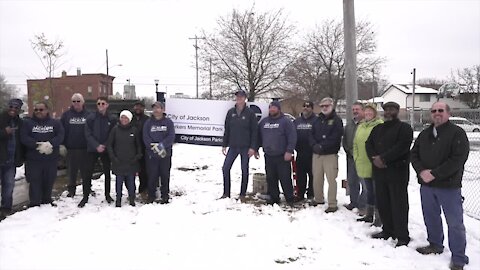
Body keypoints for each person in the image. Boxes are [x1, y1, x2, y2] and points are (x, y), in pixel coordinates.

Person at [411, 102, 470, 270]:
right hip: (427, 186)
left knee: (455, 223)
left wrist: (435, 173)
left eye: (440, 110)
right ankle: (435, 244)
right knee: (431, 217)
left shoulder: (457, 133)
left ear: (448, 113)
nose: (437, 113)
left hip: (449, 187)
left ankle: (459, 257)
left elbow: (458, 159)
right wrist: (421, 171)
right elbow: (413, 154)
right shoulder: (425, 134)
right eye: (434, 111)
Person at [365, 101, 412, 247]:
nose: (388, 112)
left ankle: (402, 235)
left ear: (397, 111)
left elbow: (402, 146)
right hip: (380, 172)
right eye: (386, 110)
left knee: (399, 205)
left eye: (392, 109)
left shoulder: (404, 128)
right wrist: (374, 158)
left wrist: (384, 158)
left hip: (397, 172)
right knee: (383, 203)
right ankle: (387, 230)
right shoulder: (378, 128)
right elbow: (368, 144)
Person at [20, 102, 64, 207]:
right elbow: (24, 137)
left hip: (51, 159)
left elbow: (61, 135)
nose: (38, 112)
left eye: (41, 109)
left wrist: (50, 144)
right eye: (36, 110)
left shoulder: (55, 123)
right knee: (35, 181)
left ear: (47, 110)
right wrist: (37, 145)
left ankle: (47, 200)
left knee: (49, 180)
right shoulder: (28, 123)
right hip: (34, 160)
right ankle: (35, 203)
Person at [220, 89, 258, 201]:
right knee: (225, 168)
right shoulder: (230, 112)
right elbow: (227, 129)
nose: (239, 98)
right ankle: (226, 193)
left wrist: (253, 147)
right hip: (233, 146)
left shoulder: (250, 113)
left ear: (245, 98)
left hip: (246, 147)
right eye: (237, 97)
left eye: (241, 97)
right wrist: (224, 145)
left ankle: (242, 194)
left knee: (244, 170)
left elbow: (254, 131)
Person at [257, 101, 297, 205]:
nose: (272, 109)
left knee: (285, 178)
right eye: (270, 108)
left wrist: (289, 151)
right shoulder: (264, 122)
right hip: (269, 155)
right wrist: (256, 148)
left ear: (279, 109)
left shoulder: (286, 121)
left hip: (282, 155)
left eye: (274, 107)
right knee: (271, 178)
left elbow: (292, 137)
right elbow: (258, 136)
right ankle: (274, 198)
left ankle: (289, 198)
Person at [79, 97, 117, 207]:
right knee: (87, 173)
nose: (101, 105)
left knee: (107, 173)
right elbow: (87, 133)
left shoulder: (112, 118)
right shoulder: (91, 118)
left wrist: (104, 145)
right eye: (99, 103)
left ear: (107, 105)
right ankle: (85, 196)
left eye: (103, 103)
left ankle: (107, 195)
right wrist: (96, 145)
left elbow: (112, 134)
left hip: (106, 149)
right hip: (92, 149)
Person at [309, 97, 344, 213]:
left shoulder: (337, 120)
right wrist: (314, 145)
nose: (324, 108)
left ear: (332, 106)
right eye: (322, 106)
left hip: (330, 155)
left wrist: (322, 146)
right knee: (317, 178)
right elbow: (311, 134)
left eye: (327, 106)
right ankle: (318, 198)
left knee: (331, 180)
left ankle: (332, 203)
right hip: (317, 154)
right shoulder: (317, 120)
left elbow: (335, 137)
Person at [353, 104, 383, 226]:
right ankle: (369, 214)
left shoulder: (379, 125)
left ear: (375, 113)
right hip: (362, 163)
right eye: (366, 111)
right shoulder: (361, 126)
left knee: (377, 192)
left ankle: (379, 217)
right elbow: (355, 143)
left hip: (375, 164)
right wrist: (356, 157)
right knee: (369, 191)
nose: (368, 113)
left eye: (371, 111)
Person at [107, 110, 142, 207]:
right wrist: (113, 157)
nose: (124, 119)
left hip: (131, 162)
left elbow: (139, 145)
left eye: (126, 118)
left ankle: (132, 199)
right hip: (118, 161)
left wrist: (137, 156)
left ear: (129, 119)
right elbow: (109, 145)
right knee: (119, 183)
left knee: (131, 183)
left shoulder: (134, 130)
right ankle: (118, 200)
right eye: (122, 117)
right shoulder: (115, 129)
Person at [143, 101, 175, 204]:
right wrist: (152, 146)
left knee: (165, 175)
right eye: (154, 108)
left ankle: (165, 195)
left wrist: (161, 145)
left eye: (158, 108)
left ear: (163, 109)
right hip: (152, 155)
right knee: (152, 175)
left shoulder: (169, 122)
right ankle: (151, 195)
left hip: (165, 154)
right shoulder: (148, 123)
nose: (156, 110)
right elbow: (145, 137)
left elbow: (171, 137)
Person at [60, 93, 90, 198]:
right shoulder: (66, 115)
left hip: (85, 149)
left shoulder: (88, 115)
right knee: (72, 171)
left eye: (78, 101)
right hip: (71, 148)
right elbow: (61, 130)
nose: (76, 103)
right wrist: (62, 144)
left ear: (83, 102)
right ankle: (71, 190)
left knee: (85, 172)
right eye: (74, 101)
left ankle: (87, 189)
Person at [0, 99, 25, 221]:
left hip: (11, 161)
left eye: (16, 107)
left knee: (8, 186)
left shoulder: (20, 122)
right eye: (11, 106)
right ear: (8, 106)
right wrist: (4, 132)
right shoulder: (1, 118)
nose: (13, 109)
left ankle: (6, 209)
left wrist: (21, 158)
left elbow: (22, 142)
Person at [342, 101, 367, 212]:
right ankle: (354, 202)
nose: (355, 111)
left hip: (363, 159)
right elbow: (345, 140)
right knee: (352, 182)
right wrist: (348, 151)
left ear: (363, 110)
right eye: (353, 110)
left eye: (357, 109)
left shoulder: (367, 124)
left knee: (365, 185)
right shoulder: (349, 125)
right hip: (351, 158)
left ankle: (363, 205)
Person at [293, 101, 317, 201]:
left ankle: (311, 194)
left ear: (312, 108)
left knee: (313, 175)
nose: (306, 108)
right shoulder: (297, 121)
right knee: (300, 175)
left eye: (308, 106)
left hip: (313, 153)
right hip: (300, 152)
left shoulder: (317, 120)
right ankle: (300, 194)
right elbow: (292, 135)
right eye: (304, 106)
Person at [130, 101, 149, 196]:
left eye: (140, 106)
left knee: (143, 171)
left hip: (143, 148)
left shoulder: (147, 119)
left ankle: (143, 190)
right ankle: (131, 191)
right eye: (136, 106)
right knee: (130, 172)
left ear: (143, 108)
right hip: (130, 149)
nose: (138, 108)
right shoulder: (130, 118)